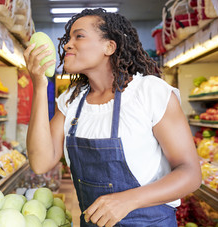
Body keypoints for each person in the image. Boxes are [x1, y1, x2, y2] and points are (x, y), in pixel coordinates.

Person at [23, 8, 201, 227]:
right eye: (68, 38)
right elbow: (40, 163)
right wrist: (40, 86)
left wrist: (129, 200)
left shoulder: (148, 92)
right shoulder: (71, 101)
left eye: (78, 36)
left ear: (109, 46)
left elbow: (190, 173)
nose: (67, 44)